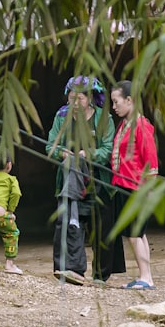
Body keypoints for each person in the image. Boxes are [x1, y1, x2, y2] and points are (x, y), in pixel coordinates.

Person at [45, 76, 114, 285]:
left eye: (80, 99)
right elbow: (50, 147)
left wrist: (87, 154)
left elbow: (107, 149)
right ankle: (70, 270)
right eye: (71, 98)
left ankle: (101, 275)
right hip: (69, 180)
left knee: (101, 227)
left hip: (97, 180)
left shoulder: (103, 118)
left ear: (90, 98)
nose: (74, 104)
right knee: (68, 222)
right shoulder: (61, 116)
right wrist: (63, 154)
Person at [105, 79, 159, 290]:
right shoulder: (124, 124)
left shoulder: (140, 125)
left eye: (117, 101)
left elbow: (151, 161)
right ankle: (145, 276)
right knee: (136, 233)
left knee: (134, 233)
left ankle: (146, 277)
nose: (114, 106)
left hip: (136, 187)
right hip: (124, 185)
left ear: (130, 100)